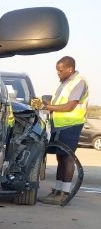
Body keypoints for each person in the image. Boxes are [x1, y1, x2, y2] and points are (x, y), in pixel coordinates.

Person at [39, 56, 89, 205]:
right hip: (59, 125)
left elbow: (69, 106)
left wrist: (48, 107)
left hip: (71, 126)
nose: (58, 73)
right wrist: (46, 103)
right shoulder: (64, 83)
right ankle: (57, 191)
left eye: (60, 70)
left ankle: (64, 193)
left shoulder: (79, 82)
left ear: (70, 69)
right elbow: (59, 104)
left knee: (67, 158)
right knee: (60, 157)